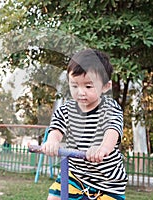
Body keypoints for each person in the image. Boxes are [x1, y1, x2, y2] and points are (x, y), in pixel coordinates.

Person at [41, 49, 128, 200]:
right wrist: (52, 141)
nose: (80, 92)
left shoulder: (109, 108)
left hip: (107, 182)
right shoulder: (66, 109)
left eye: (88, 86)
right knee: (54, 196)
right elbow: (56, 129)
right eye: (74, 86)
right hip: (75, 175)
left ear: (106, 86)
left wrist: (103, 148)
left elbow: (112, 130)